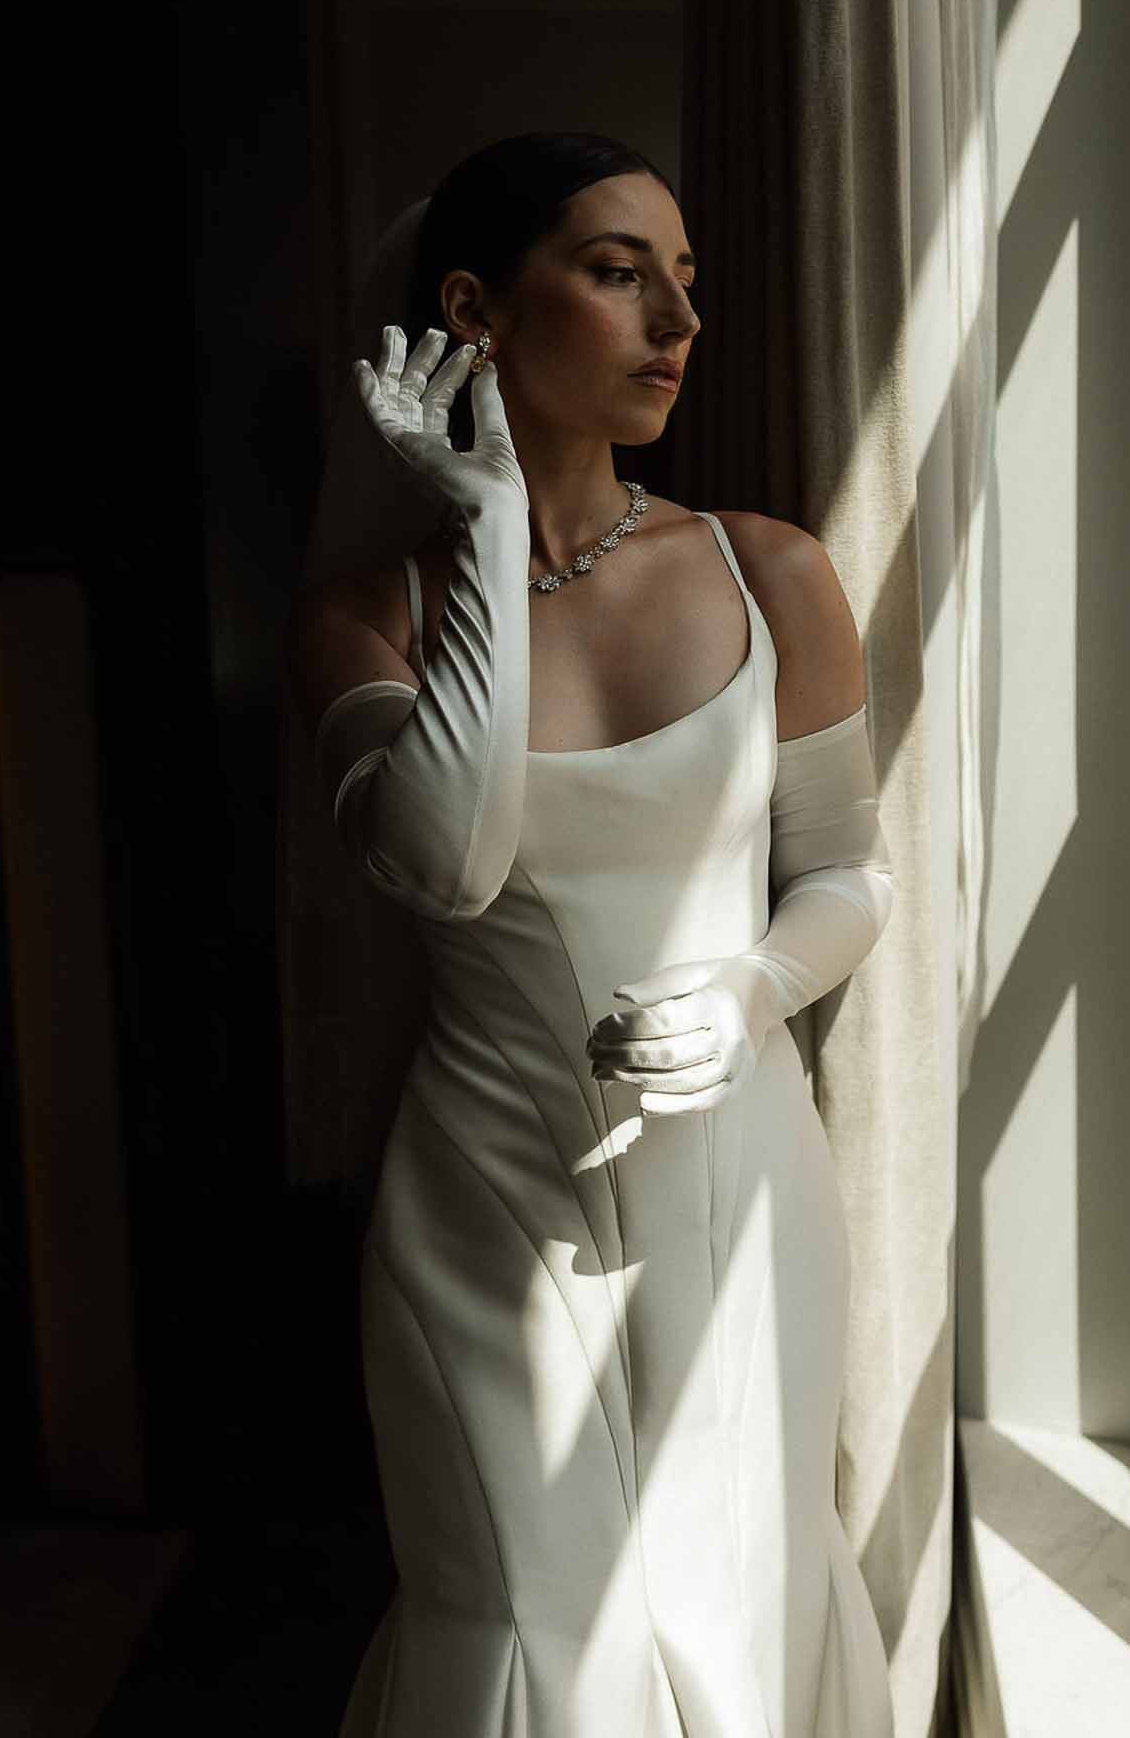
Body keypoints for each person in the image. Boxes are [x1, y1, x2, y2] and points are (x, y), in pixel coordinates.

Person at [284, 133, 896, 1735]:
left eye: (683, 283)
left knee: (732, 1597)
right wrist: (484, 524)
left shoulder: (771, 573)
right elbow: (445, 863)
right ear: (476, 311)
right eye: (621, 275)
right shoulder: (365, 619)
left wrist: (749, 989)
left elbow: (846, 872)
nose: (678, 328)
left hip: (737, 1179)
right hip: (485, 1205)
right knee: (522, 1616)